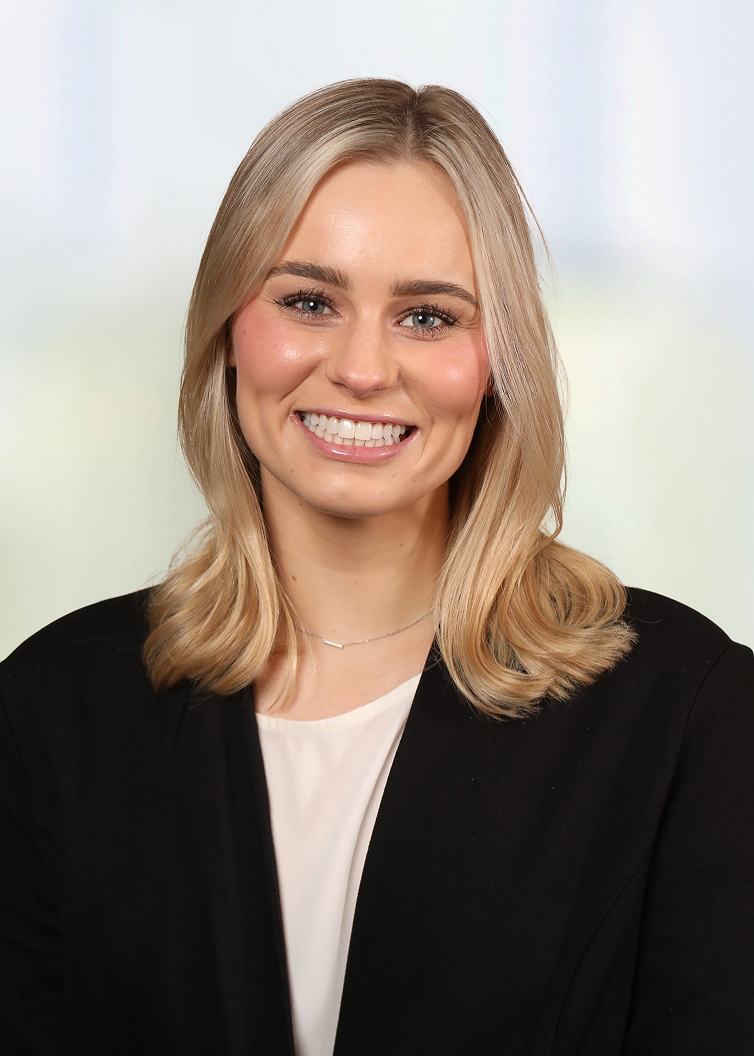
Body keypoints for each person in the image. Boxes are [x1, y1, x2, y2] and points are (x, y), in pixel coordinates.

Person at [1, 77, 752, 1056]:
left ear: (498, 361)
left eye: (428, 316)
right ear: (230, 332)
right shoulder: (53, 710)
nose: (362, 367)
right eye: (309, 300)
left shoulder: (687, 712)